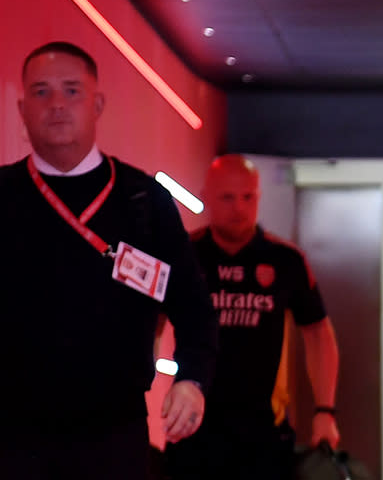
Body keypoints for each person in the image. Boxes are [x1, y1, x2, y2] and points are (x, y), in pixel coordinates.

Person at [0, 42, 218, 480]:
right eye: (41, 92)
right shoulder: (3, 197)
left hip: (114, 439)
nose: (57, 104)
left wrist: (192, 382)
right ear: (22, 109)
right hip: (12, 437)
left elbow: (194, 311)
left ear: (98, 104)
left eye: (72, 90)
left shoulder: (145, 201)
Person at [165, 154, 341, 480]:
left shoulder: (285, 260)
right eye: (227, 197)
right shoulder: (185, 255)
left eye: (248, 197)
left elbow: (318, 334)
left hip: (263, 433)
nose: (239, 208)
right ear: (207, 196)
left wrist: (324, 410)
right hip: (194, 427)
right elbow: (148, 324)